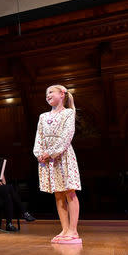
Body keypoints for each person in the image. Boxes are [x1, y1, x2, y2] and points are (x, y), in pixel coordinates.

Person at [33, 84, 82, 244]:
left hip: (63, 155)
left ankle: (73, 230)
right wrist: (39, 154)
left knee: (69, 191)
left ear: (62, 94)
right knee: (58, 194)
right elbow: (39, 137)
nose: (47, 95)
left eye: (51, 92)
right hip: (48, 160)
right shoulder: (42, 116)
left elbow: (67, 135)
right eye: (46, 93)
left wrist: (52, 152)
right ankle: (65, 228)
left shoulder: (68, 113)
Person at [0, 148, 35, 232]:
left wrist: (0, 185)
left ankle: (9, 224)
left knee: (8, 195)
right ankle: (24, 212)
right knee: (9, 188)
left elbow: (4, 182)